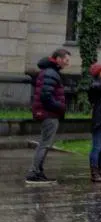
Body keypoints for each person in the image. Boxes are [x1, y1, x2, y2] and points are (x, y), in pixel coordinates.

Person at [25, 48, 71, 185]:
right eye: (66, 60)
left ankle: (37, 172)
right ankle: (34, 173)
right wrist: (61, 107)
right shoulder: (51, 73)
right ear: (58, 59)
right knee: (44, 144)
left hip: (48, 112)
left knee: (44, 143)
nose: (68, 63)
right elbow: (46, 96)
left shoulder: (50, 71)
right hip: (49, 113)